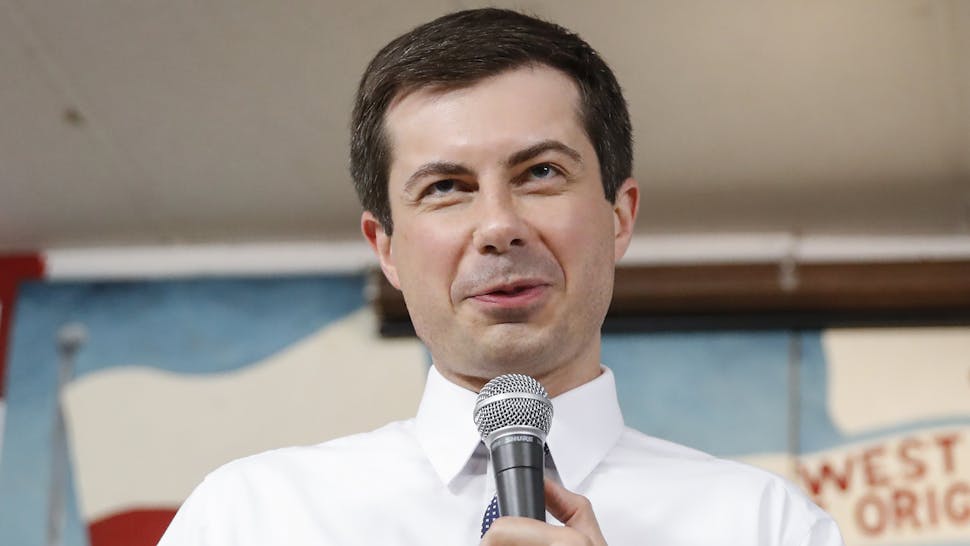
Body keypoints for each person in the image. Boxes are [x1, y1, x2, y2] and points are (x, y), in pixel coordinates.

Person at [159, 8, 844, 545]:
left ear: (619, 215)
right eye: (448, 187)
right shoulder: (252, 519)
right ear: (387, 247)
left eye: (540, 173)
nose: (498, 226)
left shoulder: (764, 527)